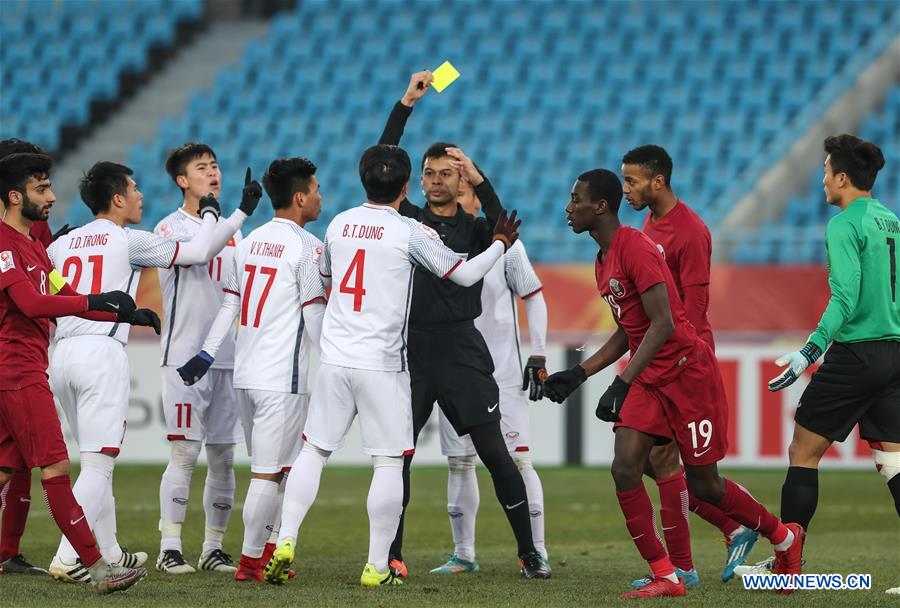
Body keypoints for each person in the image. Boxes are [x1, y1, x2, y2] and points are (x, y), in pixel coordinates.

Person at [263, 144, 521, 587]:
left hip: (336, 360)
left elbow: (321, 282)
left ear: (364, 181)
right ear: (406, 187)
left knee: (313, 451)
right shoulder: (411, 232)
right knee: (388, 464)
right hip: (383, 364)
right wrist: (499, 244)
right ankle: (378, 565)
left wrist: (327, 334)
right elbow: (463, 276)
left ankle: (285, 539)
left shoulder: (339, 224)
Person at [545, 168, 802, 598]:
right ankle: (667, 574)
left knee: (706, 485)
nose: (569, 208)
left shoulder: (635, 248)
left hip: (687, 374)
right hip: (650, 378)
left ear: (600, 207)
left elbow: (662, 324)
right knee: (625, 467)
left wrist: (621, 382)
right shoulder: (602, 258)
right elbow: (631, 328)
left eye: (576, 200)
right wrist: (579, 373)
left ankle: (784, 538)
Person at [379, 71, 549, 579]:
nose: (436, 179)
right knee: (398, 458)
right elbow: (381, 164)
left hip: (462, 350)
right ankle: (392, 554)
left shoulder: (477, 230)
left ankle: (528, 553)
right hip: (409, 351)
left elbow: (506, 228)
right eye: (429, 172)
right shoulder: (406, 218)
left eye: (446, 174)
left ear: (460, 181)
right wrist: (405, 105)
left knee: (496, 454)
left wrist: (481, 179)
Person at [45, 161, 242, 582]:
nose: (140, 196)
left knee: (95, 462)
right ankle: (67, 555)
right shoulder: (131, 240)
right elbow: (199, 252)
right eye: (133, 189)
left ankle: (111, 549)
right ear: (117, 199)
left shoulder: (64, 243)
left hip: (61, 353)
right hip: (102, 353)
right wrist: (210, 212)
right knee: (99, 465)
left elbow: (50, 289)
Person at [0, 152, 147, 593]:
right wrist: (95, 303)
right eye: (40, 189)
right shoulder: (5, 246)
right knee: (56, 466)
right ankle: (99, 569)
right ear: (14, 196)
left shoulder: (34, 248)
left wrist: (124, 314)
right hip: (18, 371)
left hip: (27, 366)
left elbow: (65, 293)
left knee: (6, 468)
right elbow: (31, 303)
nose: (51, 197)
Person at [178, 157, 326, 583]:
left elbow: (231, 303)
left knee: (274, 469)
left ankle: (263, 552)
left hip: (246, 374)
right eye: (314, 189)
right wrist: (336, 361)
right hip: (284, 379)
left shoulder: (248, 242)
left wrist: (207, 353)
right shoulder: (307, 247)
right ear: (300, 197)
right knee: (269, 473)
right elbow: (313, 316)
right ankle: (248, 563)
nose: (319, 196)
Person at [621, 145, 758, 586]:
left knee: (666, 463)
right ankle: (730, 529)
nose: (627, 190)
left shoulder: (692, 231)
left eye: (633, 181)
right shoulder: (651, 222)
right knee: (645, 461)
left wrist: (682, 365)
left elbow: (696, 309)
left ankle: (690, 564)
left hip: (682, 362)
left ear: (658, 180)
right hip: (661, 359)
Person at [765, 135, 899, 566]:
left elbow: (844, 297)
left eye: (825, 171)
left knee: (803, 451)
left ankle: (787, 562)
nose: (821, 179)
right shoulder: (890, 219)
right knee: (893, 461)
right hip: (894, 354)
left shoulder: (844, 224)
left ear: (842, 177)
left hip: (856, 354)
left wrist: (809, 351)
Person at [427, 172, 550, 574]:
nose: (457, 201)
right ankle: (464, 554)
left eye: (464, 193)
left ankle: (537, 551)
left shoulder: (505, 247)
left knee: (518, 461)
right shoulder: (437, 244)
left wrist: (539, 353)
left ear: (478, 200)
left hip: (502, 373)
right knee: (459, 463)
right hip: (455, 367)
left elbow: (534, 295)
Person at [154, 143, 261, 574]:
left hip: (228, 358)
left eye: (215, 166)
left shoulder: (237, 234)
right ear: (183, 180)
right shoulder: (168, 229)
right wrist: (232, 214)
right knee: (183, 454)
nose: (212, 173)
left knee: (223, 456)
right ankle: (170, 547)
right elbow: (201, 249)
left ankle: (212, 547)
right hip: (183, 358)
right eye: (201, 168)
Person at [0, 138, 56, 575]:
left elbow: (47, 277)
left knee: (13, 460)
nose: (49, 196)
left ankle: (8, 551)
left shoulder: (32, 228)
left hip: (24, 348)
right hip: (11, 353)